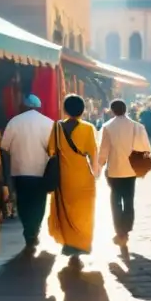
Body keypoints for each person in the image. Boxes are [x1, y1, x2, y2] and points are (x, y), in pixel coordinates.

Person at [48, 94, 99, 266]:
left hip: (64, 177)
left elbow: (51, 150)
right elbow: (93, 154)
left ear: (65, 109)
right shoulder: (88, 128)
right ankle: (82, 244)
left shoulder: (57, 127)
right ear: (83, 110)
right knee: (84, 211)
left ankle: (69, 244)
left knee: (65, 210)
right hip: (84, 177)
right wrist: (96, 174)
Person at [0, 94, 53, 251]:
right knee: (39, 203)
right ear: (39, 107)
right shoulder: (48, 123)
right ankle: (34, 231)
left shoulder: (14, 122)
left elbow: (4, 148)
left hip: (19, 171)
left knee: (23, 203)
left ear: (23, 106)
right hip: (40, 171)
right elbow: (54, 150)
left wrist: (6, 174)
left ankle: (29, 232)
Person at [98, 99, 151, 250]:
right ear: (126, 109)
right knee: (129, 200)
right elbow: (145, 148)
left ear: (112, 111)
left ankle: (119, 231)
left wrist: (98, 166)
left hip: (114, 170)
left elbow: (103, 150)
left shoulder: (108, 127)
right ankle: (126, 230)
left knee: (115, 201)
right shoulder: (137, 126)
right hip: (131, 170)